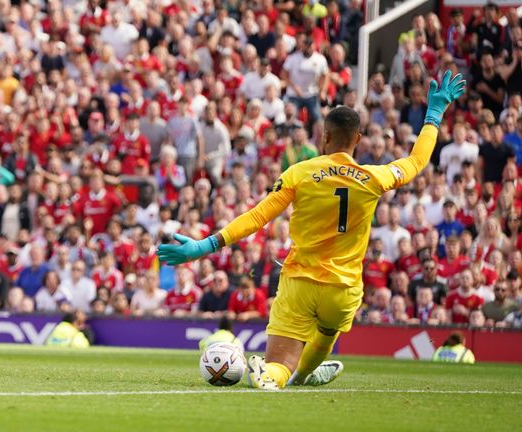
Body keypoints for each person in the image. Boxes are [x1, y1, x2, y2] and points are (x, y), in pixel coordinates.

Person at [159, 70, 466, 391]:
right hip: (344, 288)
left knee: (279, 360)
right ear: (358, 140)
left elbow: (258, 216)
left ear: (324, 137)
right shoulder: (375, 177)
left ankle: (273, 374)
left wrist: (204, 246)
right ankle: (303, 376)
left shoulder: (301, 173)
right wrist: (433, 114)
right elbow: (417, 161)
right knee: (327, 333)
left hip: (300, 280)